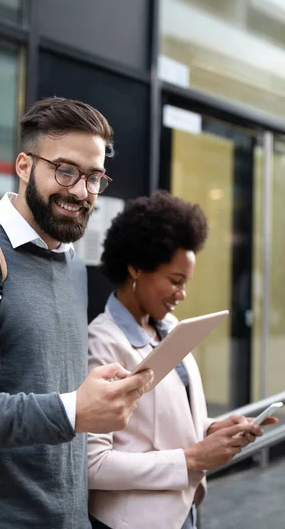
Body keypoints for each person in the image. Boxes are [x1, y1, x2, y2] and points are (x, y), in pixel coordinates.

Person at [0, 97, 154, 529]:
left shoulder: (71, 264)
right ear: (23, 165)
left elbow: (46, 389)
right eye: (66, 171)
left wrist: (92, 399)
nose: (81, 192)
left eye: (94, 178)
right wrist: (71, 410)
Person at [87, 192, 277, 529]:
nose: (182, 294)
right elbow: (93, 465)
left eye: (185, 283)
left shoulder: (170, 328)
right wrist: (192, 459)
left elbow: (157, 426)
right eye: (175, 281)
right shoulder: (101, 343)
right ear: (135, 267)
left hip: (182, 512)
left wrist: (211, 428)